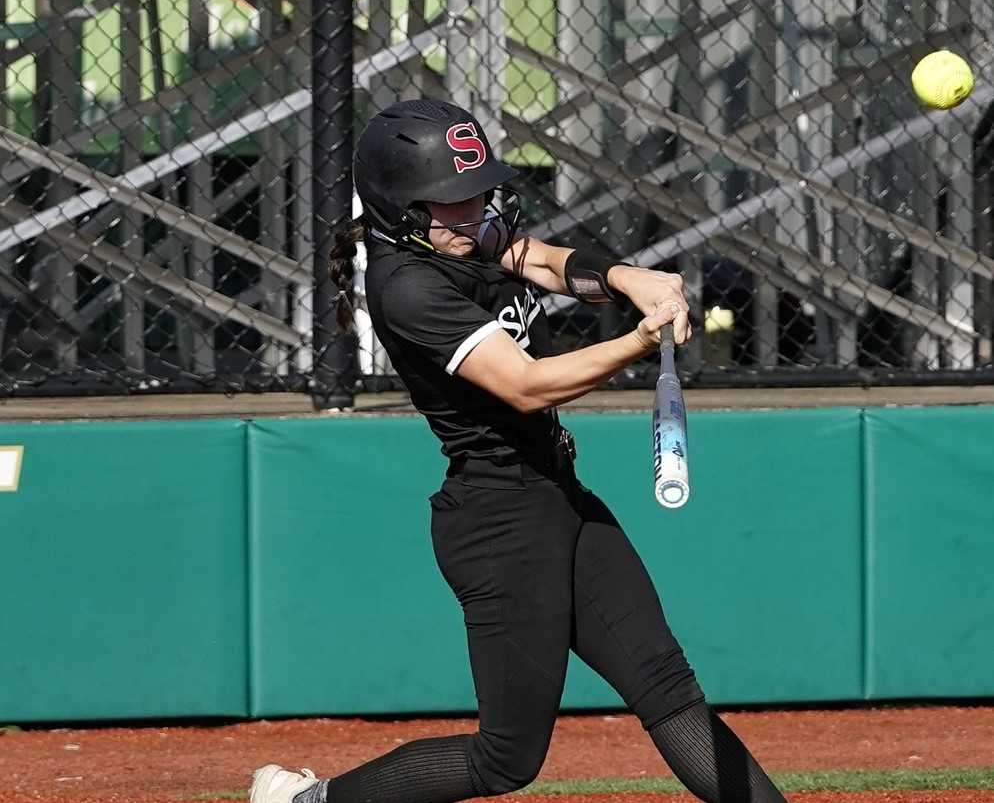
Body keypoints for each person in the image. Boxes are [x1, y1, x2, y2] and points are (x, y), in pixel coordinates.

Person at [250, 99, 788, 803]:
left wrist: (631, 279)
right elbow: (527, 386)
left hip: (558, 494)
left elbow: (537, 258)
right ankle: (305, 802)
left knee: (666, 683)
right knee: (507, 760)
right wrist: (636, 340)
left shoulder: (461, 232)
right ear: (400, 210)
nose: (472, 214)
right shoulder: (407, 286)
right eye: (450, 203)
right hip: (498, 524)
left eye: (477, 196)